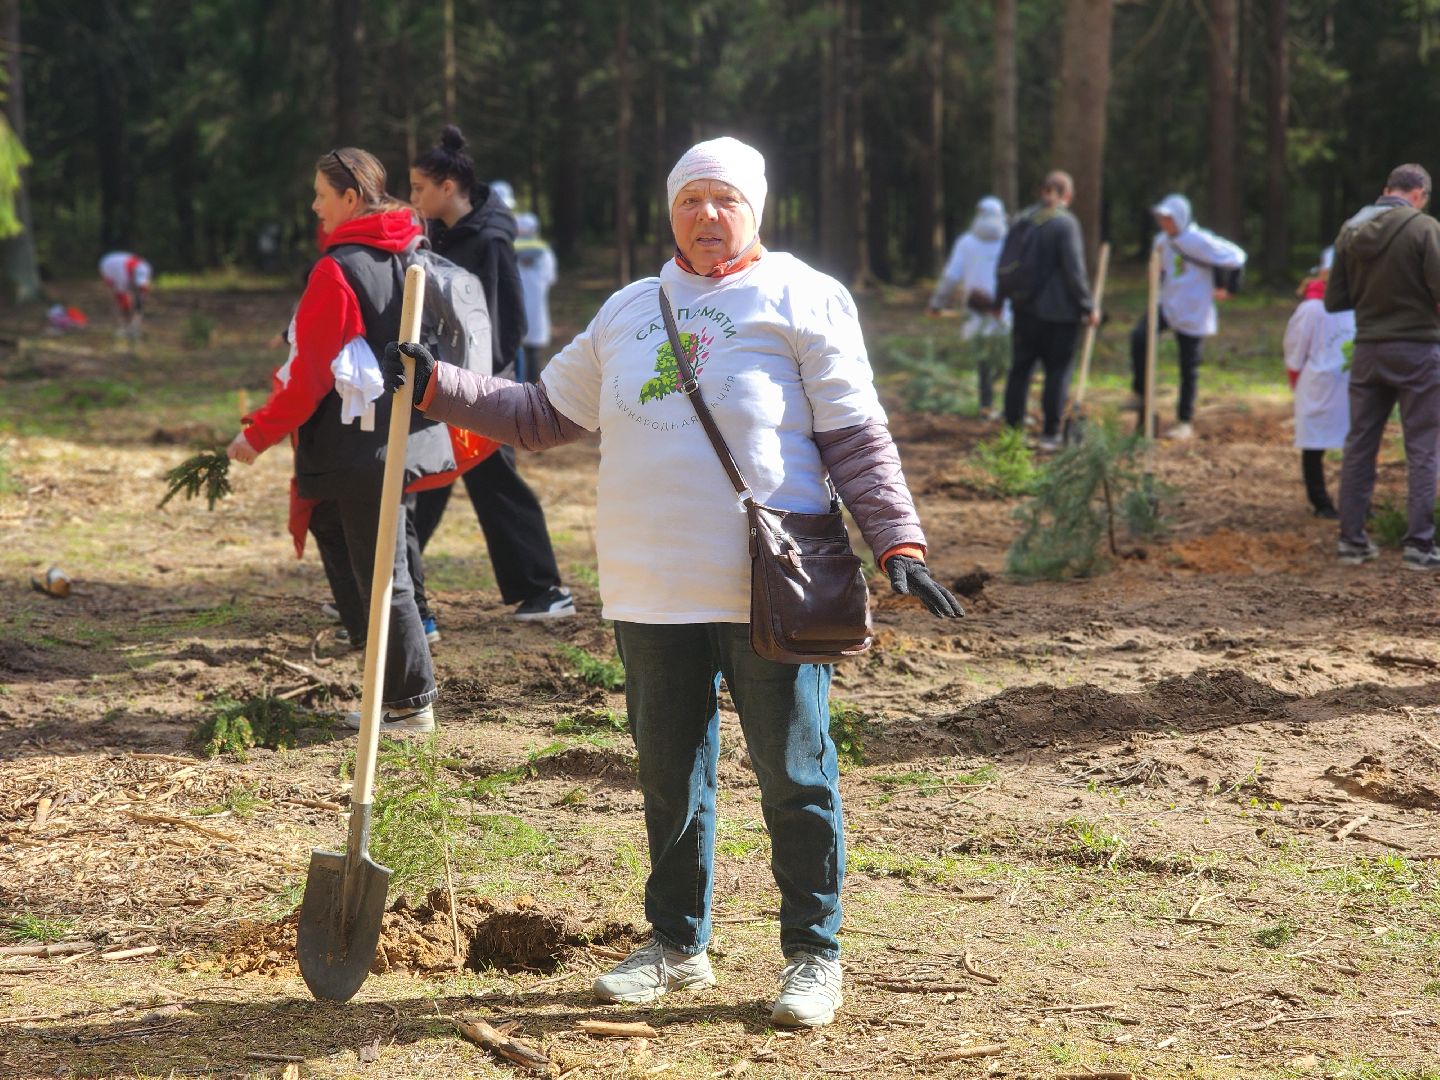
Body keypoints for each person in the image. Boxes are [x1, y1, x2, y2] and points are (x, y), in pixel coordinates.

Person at [379, 136, 963, 1028]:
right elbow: (540, 413)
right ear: (670, 212)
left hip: (769, 586)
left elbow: (854, 436)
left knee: (795, 775)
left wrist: (898, 543)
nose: (707, 216)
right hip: (649, 584)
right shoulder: (629, 308)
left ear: (755, 209)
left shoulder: (802, 295)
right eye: (691, 200)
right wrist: (437, 387)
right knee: (668, 779)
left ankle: (813, 955)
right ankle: (677, 946)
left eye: (725, 199)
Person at [225, 147, 447, 733]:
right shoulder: (412, 251)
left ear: (351, 199)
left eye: (322, 195)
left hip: (354, 447)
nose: (313, 205)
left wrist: (258, 434)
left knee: (382, 574)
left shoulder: (338, 269)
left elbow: (310, 377)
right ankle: (387, 682)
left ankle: (409, 703)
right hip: (402, 433)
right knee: (354, 546)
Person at [407, 126, 574, 623]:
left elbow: (508, 324)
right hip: (442, 381)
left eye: (418, 188)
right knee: (429, 480)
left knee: (483, 480)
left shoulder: (490, 241)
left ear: (448, 187)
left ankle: (544, 589)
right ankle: (389, 583)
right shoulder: (439, 233)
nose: (413, 198)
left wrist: (476, 385)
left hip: (480, 389)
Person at [1325, 162, 1440, 570]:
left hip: (1368, 350)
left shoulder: (1351, 230)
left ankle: (1351, 541)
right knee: (1422, 446)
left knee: (1360, 445)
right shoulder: (1424, 228)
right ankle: (1419, 545)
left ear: (1387, 189)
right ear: (1418, 194)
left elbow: (1334, 300)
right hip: (1418, 350)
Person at [1129, 193, 1246, 440]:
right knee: (1139, 338)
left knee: (1188, 367)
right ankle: (1141, 397)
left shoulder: (1199, 240)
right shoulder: (1161, 241)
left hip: (1194, 308)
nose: (1164, 223)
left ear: (1180, 219)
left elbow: (1236, 257)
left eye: (1168, 218)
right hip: (1167, 304)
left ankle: (1184, 421)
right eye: (1161, 218)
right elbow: (1161, 270)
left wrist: (1229, 288)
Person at [1002, 171, 1096, 451]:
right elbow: (1073, 270)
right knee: (1057, 371)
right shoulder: (1065, 223)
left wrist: (1001, 300)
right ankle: (1050, 433)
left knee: (1020, 370)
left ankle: (1013, 432)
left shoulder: (1023, 219)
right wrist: (1088, 305)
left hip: (1023, 308)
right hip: (1059, 313)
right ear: (1067, 194)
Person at [1283, 246, 1352, 518]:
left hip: (1353, 385)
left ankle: (1357, 500)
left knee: (1357, 445)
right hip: (1319, 385)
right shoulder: (1311, 309)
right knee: (1314, 444)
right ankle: (1320, 500)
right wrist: (1297, 378)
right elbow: (1295, 348)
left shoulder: (1360, 305)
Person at [927, 196, 1010, 419]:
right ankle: (1011, 408)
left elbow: (951, 277)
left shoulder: (966, 243)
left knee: (984, 361)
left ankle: (986, 406)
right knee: (1007, 359)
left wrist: (936, 303)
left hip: (976, 314)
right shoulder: (1010, 240)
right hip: (1005, 312)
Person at [516, 211, 558, 383]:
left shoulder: (509, 250)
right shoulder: (545, 252)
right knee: (533, 354)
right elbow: (551, 278)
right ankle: (533, 388)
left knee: (516, 354)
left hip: (515, 309)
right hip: (537, 309)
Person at [98, 251, 152, 339]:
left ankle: (134, 327)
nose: (137, 287)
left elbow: (142, 293)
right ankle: (122, 326)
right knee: (120, 301)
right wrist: (128, 313)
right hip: (108, 265)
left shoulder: (145, 267)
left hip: (124, 266)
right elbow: (122, 299)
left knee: (137, 301)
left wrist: (139, 304)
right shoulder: (121, 277)